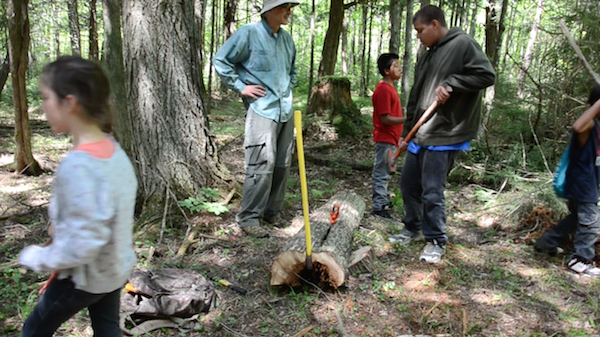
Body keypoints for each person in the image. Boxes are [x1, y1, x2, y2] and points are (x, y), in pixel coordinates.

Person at [18, 56, 138, 336]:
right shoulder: (113, 150)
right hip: (114, 269)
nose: (43, 106)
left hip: (83, 278)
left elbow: (84, 244)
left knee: (33, 330)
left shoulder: (79, 165)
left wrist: (38, 257)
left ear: (70, 103)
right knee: (107, 328)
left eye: (46, 97)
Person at [388, 5, 495, 264]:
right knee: (409, 184)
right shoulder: (427, 53)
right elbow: (416, 93)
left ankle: (436, 239)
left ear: (435, 24)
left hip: (445, 132)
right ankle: (412, 227)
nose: (418, 36)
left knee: (432, 190)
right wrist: (405, 133)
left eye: (420, 30)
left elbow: (486, 75)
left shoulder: (463, 44)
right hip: (420, 132)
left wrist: (453, 84)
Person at [213, 0, 299, 237]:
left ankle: (272, 213)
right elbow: (221, 61)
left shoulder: (287, 39)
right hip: (261, 109)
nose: (288, 13)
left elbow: (293, 71)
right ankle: (249, 218)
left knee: (282, 163)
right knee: (263, 162)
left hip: (285, 110)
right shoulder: (248, 33)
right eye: (284, 8)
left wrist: (288, 91)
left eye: (290, 8)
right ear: (270, 10)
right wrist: (241, 86)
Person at [534, 85, 600, 277]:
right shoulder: (589, 125)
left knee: (577, 218)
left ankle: (547, 243)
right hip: (581, 183)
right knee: (592, 223)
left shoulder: (597, 129)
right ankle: (579, 260)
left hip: (588, 183)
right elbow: (577, 126)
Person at [371, 53, 406, 219]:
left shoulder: (391, 88)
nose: (400, 69)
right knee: (382, 172)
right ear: (386, 71)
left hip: (392, 139)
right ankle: (379, 206)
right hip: (384, 138)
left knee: (388, 170)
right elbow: (385, 118)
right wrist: (407, 119)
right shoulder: (384, 90)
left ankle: (383, 199)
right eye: (396, 66)